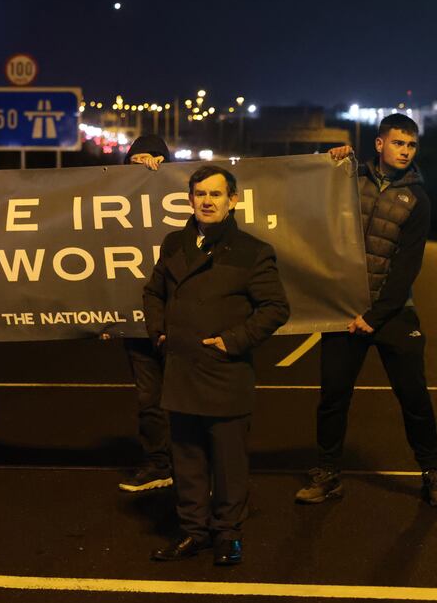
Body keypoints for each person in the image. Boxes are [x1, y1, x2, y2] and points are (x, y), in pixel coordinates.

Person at [295, 114, 437, 508]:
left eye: (412, 145)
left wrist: (375, 315)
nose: (405, 151)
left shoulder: (418, 199)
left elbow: (407, 267)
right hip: (345, 307)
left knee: (414, 396)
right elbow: (299, 194)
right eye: (399, 143)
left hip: (394, 311)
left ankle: (431, 473)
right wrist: (327, 160)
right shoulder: (348, 178)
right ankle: (328, 473)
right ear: (380, 144)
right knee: (333, 395)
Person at [144, 165, 289, 566]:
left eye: (216, 195)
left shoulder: (252, 251)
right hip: (181, 371)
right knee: (187, 462)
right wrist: (159, 331)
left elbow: (276, 308)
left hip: (225, 374)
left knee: (228, 465)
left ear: (233, 200)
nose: (207, 201)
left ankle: (228, 535)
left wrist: (233, 341)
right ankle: (194, 532)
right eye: (200, 194)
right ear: (189, 199)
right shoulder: (174, 243)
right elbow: (153, 292)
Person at [117, 135, 174, 492]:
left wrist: (163, 178)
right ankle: (157, 462)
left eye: (151, 158)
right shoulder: (111, 200)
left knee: (187, 395)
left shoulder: (181, 201)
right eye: (135, 159)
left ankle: (195, 464)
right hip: (137, 323)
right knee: (148, 398)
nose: (143, 164)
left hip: (181, 320)